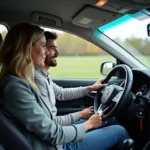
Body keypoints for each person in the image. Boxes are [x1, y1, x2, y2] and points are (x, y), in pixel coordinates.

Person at [0, 23, 129, 150]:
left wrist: (89, 89)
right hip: (57, 145)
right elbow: (53, 132)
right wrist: (87, 124)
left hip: (55, 139)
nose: (46, 52)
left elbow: (60, 94)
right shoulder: (16, 88)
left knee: (109, 120)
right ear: (26, 48)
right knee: (120, 131)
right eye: (44, 46)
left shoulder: (25, 80)